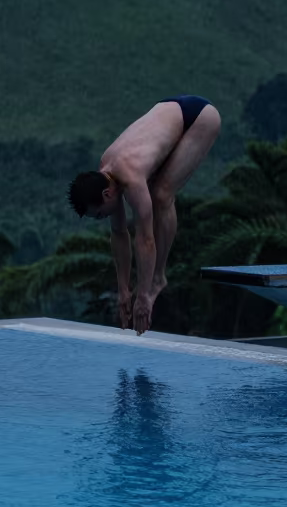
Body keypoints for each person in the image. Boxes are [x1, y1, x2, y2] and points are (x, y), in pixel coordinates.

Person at [67, 95, 221, 336]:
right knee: (154, 194)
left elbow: (145, 239)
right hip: (169, 110)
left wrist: (143, 296)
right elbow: (119, 234)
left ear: (107, 195)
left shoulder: (131, 177)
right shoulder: (106, 171)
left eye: (98, 215)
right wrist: (123, 290)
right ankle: (152, 281)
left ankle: (159, 278)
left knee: (161, 195)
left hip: (201, 118)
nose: (101, 218)